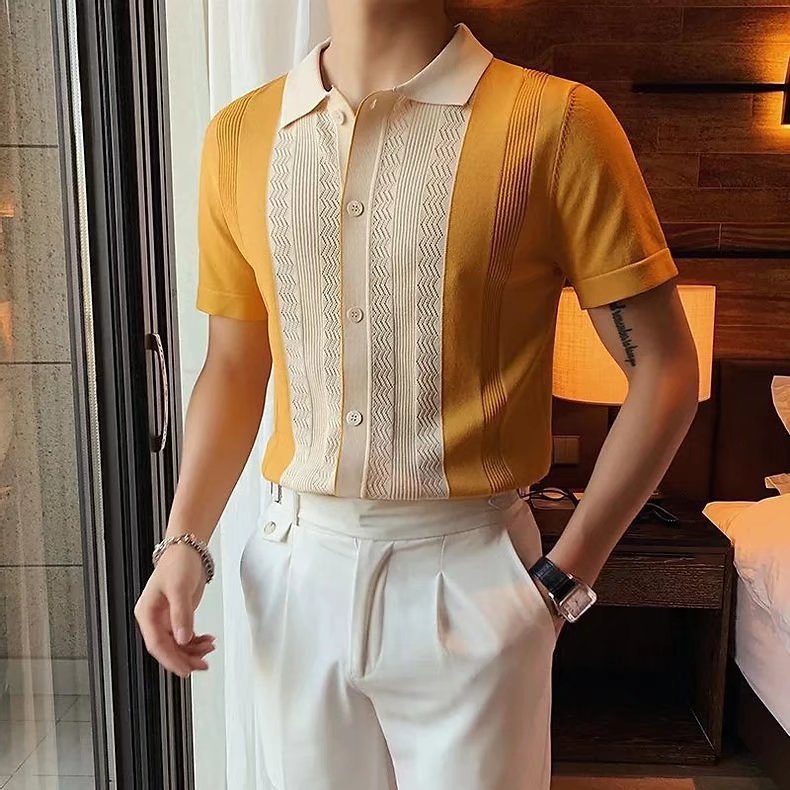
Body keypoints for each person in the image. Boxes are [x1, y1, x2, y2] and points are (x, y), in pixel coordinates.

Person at [134, 1, 699, 787]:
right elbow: (233, 365)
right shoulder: (239, 136)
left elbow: (666, 369)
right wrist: (182, 541)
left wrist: (562, 585)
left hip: (472, 573)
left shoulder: (556, 123)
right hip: (296, 574)